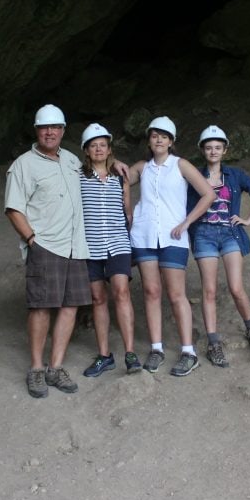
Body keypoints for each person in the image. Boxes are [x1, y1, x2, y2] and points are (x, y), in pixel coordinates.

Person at [4, 104, 91, 398]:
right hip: (46, 245)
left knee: (70, 306)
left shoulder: (71, 160)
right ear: (37, 131)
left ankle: (56, 367)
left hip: (76, 246)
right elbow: (14, 208)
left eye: (55, 127)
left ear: (63, 130)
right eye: (44, 127)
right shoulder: (24, 165)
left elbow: (96, 175)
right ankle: (37, 369)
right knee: (40, 307)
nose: (50, 132)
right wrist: (32, 240)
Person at [125, 116, 215, 377]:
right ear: (149, 140)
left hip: (173, 237)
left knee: (176, 294)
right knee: (152, 291)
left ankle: (189, 351)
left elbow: (208, 194)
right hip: (144, 236)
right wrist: (128, 210)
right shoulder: (142, 167)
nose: (159, 139)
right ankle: (156, 348)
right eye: (154, 135)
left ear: (171, 141)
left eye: (164, 136)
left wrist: (186, 221)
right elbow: (118, 179)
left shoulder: (181, 165)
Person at [188, 125, 250, 367]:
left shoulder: (235, 175)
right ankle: (214, 344)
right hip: (203, 234)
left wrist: (248, 220)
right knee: (209, 291)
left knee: (236, 287)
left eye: (217, 147)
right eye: (209, 147)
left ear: (225, 150)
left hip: (230, 234)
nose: (213, 151)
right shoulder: (193, 175)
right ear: (203, 150)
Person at [77, 123, 142, 377]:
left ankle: (130, 353)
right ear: (86, 150)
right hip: (90, 246)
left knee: (122, 292)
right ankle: (104, 356)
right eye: (93, 145)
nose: (99, 149)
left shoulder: (120, 176)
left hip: (117, 243)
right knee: (98, 299)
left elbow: (127, 212)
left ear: (109, 148)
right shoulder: (78, 176)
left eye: (103, 144)